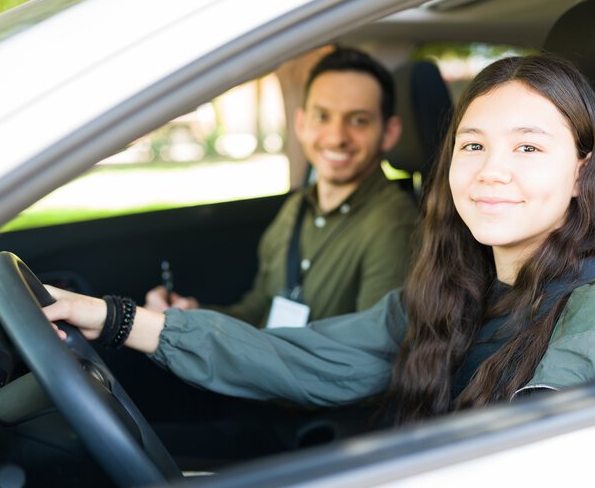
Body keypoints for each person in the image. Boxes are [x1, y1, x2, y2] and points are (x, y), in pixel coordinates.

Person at [44, 54, 595, 428]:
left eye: (529, 147)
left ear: (582, 171)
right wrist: (113, 316)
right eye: (474, 145)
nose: (493, 170)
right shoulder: (452, 290)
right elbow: (300, 356)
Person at [144, 47, 419, 328]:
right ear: (301, 124)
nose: (337, 137)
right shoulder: (296, 208)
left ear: (389, 133)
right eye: (322, 117)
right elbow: (259, 310)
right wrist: (191, 316)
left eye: (358, 120)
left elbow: (370, 353)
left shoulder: (393, 224)